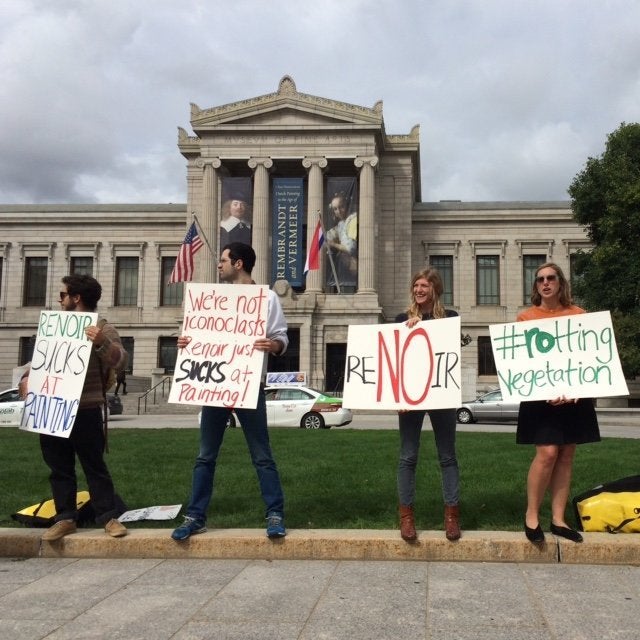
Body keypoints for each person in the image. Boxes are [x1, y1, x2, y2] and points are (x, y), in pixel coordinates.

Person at [171, 241, 289, 541]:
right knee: (205, 456)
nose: (219, 264)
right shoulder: (212, 298)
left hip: (249, 385)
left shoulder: (267, 298)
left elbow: (281, 338)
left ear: (238, 264)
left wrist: (271, 344)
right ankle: (195, 516)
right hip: (215, 386)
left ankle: (275, 513)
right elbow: (198, 336)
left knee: (262, 455)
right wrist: (187, 344)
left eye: (223, 260)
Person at [18, 274, 128, 541]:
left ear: (76, 298)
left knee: (94, 466)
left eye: (63, 295)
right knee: (59, 467)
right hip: (53, 407)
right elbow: (43, 363)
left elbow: (121, 361)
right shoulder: (55, 327)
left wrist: (101, 342)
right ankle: (65, 517)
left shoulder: (103, 327)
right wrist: (25, 380)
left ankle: (108, 518)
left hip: (87, 408)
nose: (59, 299)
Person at [517, 262, 600, 544]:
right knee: (547, 454)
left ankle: (558, 519)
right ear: (535, 286)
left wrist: (578, 386)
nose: (545, 283)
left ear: (560, 283)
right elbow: (523, 365)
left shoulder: (579, 316)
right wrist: (544, 390)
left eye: (551, 278)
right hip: (540, 400)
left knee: (566, 454)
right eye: (540, 279)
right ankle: (531, 515)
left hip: (573, 397)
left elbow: (588, 359)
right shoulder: (526, 318)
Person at [395, 268, 461, 542]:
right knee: (408, 456)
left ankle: (451, 516)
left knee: (447, 456)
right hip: (411, 396)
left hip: (441, 394)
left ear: (435, 289)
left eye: (424, 285)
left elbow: (451, 352)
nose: (419, 290)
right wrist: (397, 396)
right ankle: (406, 517)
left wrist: (424, 326)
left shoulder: (450, 318)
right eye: (416, 286)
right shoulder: (401, 319)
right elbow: (396, 360)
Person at [325, 192, 357, 292]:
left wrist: (333, 244)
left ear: (347, 205)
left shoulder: (353, 221)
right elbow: (329, 235)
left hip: (351, 266)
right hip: (343, 265)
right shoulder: (341, 224)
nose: (338, 211)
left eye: (341, 207)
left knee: (347, 289)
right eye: (335, 209)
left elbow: (350, 248)